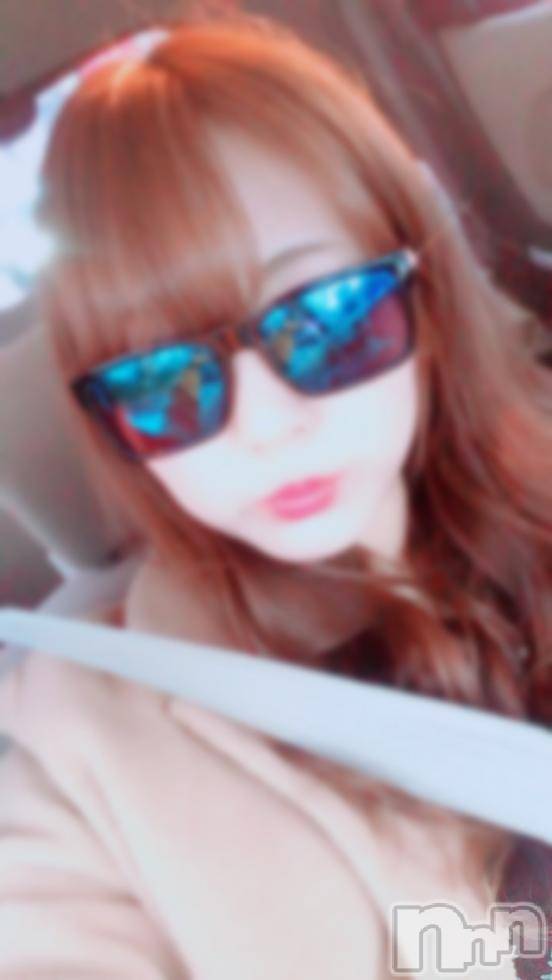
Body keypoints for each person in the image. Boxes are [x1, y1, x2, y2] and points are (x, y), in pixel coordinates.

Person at [0, 10, 550, 979]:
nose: (266, 424)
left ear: (421, 290)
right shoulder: (84, 747)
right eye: (164, 383)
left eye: (323, 322)